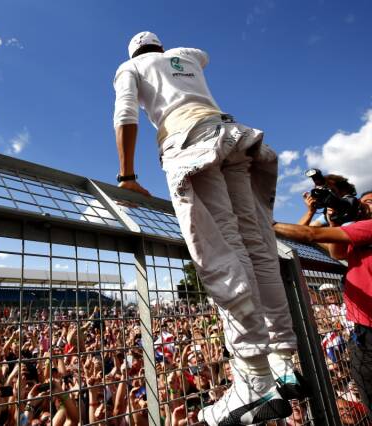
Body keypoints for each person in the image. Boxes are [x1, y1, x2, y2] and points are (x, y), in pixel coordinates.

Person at [112, 31, 298, 425]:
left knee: (222, 250)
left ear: (133, 53)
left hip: (188, 142)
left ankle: (256, 379)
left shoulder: (130, 67)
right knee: (259, 248)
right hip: (230, 135)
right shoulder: (186, 54)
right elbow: (204, 55)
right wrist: (177, 65)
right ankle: (285, 362)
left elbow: (126, 114)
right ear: (160, 47)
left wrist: (127, 174)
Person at [274, 191, 372, 414]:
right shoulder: (358, 237)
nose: (364, 206)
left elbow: (309, 234)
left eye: (370, 202)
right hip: (363, 333)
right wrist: (334, 220)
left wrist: (265, 223)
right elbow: (337, 253)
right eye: (362, 203)